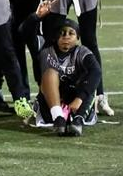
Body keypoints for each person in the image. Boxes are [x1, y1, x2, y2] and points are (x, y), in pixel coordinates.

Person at [23, 7, 101, 136]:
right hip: (52, 102)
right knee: (50, 73)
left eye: (71, 33)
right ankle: (59, 119)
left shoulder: (82, 52)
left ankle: (78, 121)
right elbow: (25, 33)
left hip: (77, 102)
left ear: (78, 38)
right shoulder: (45, 50)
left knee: (89, 80)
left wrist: (79, 99)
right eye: (62, 33)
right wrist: (36, 17)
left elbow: (96, 72)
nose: (66, 37)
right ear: (55, 37)